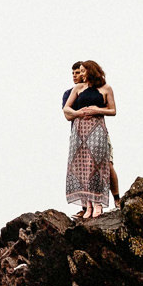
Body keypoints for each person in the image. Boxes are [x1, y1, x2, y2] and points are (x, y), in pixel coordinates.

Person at [63, 59, 118, 218]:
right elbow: (66, 108)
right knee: (81, 166)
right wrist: (78, 113)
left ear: (90, 70)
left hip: (97, 127)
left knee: (97, 164)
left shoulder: (106, 88)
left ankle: (98, 203)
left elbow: (113, 110)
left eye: (82, 70)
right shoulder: (78, 88)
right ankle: (87, 205)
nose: (80, 74)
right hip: (79, 130)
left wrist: (96, 110)